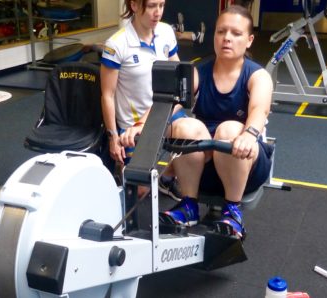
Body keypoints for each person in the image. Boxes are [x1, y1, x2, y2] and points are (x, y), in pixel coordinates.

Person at [161, 5, 274, 240]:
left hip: (245, 162)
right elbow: (172, 104)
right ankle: (189, 205)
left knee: (229, 128)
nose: (227, 38)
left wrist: (248, 134)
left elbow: (258, 110)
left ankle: (233, 212)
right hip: (202, 165)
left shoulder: (257, 76)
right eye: (221, 32)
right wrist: (144, 126)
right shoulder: (197, 71)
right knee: (183, 126)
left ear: (249, 40)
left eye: (236, 33)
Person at [100, 0, 191, 200]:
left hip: (165, 114)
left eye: (161, 5)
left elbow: (177, 72)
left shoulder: (166, 32)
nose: (157, 12)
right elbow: (107, 94)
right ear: (134, 5)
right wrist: (113, 137)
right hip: (134, 125)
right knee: (139, 192)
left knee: (195, 141)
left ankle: (165, 177)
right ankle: (124, 170)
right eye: (151, 6)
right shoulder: (116, 45)